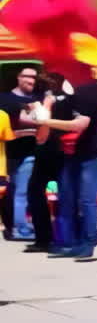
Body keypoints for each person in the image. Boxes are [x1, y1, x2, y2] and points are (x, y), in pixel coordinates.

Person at [38, 70, 97, 259]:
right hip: (73, 151)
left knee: (86, 199)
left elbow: (80, 124)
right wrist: (47, 105)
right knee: (66, 196)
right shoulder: (69, 92)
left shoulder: (92, 90)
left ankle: (88, 242)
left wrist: (45, 121)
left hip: (94, 152)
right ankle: (67, 242)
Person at [25, 72, 67, 252]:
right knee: (53, 194)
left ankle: (47, 238)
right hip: (58, 151)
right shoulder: (63, 98)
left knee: (39, 192)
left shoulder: (51, 101)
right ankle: (56, 236)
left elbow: (42, 129)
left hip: (54, 150)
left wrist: (45, 106)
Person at [1, 66, 39, 241]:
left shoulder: (37, 99)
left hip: (29, 152)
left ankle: (19, 228)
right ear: (18, 77)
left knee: (21, 192)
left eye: (34, 77)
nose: (31, 80)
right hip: (6, 153)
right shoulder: (5, 99)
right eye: (27, 76)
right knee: (10, 192)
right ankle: (13, 227)